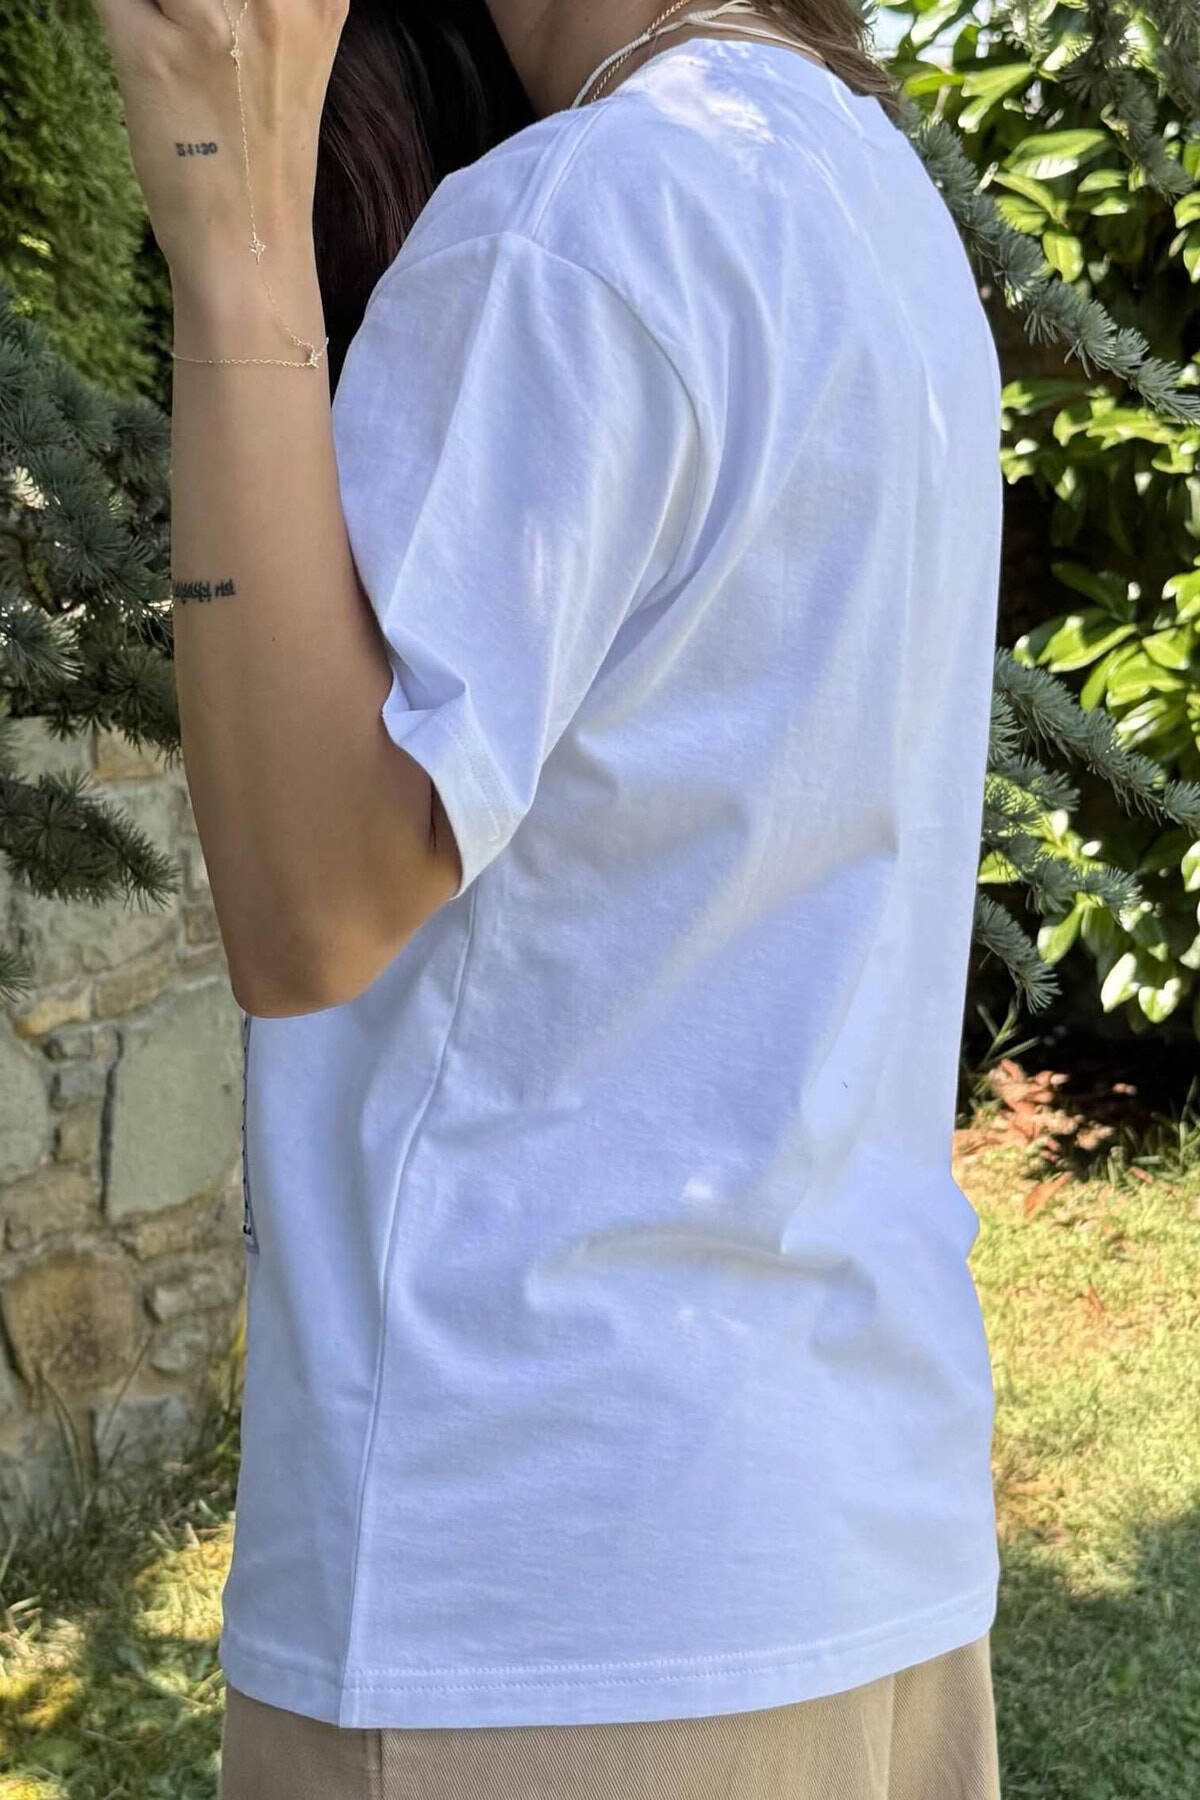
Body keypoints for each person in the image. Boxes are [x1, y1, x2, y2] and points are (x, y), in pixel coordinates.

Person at [91, 0, 1006, 1794]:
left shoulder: (582, 219)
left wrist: (232, 230)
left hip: (523, 1607)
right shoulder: (863, 189)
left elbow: (309, 902)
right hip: (858, 1556)